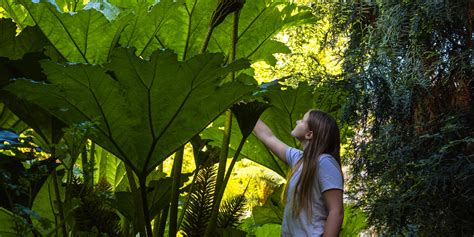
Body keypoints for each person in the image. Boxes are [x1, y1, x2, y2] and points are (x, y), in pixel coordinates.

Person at [253, 109, 344, 236]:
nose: (297, 121)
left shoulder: (324, 162)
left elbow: (336, 211)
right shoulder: (298, 158)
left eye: (302, 120)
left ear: (309, 134)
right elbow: (268, 136)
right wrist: (247, 111)